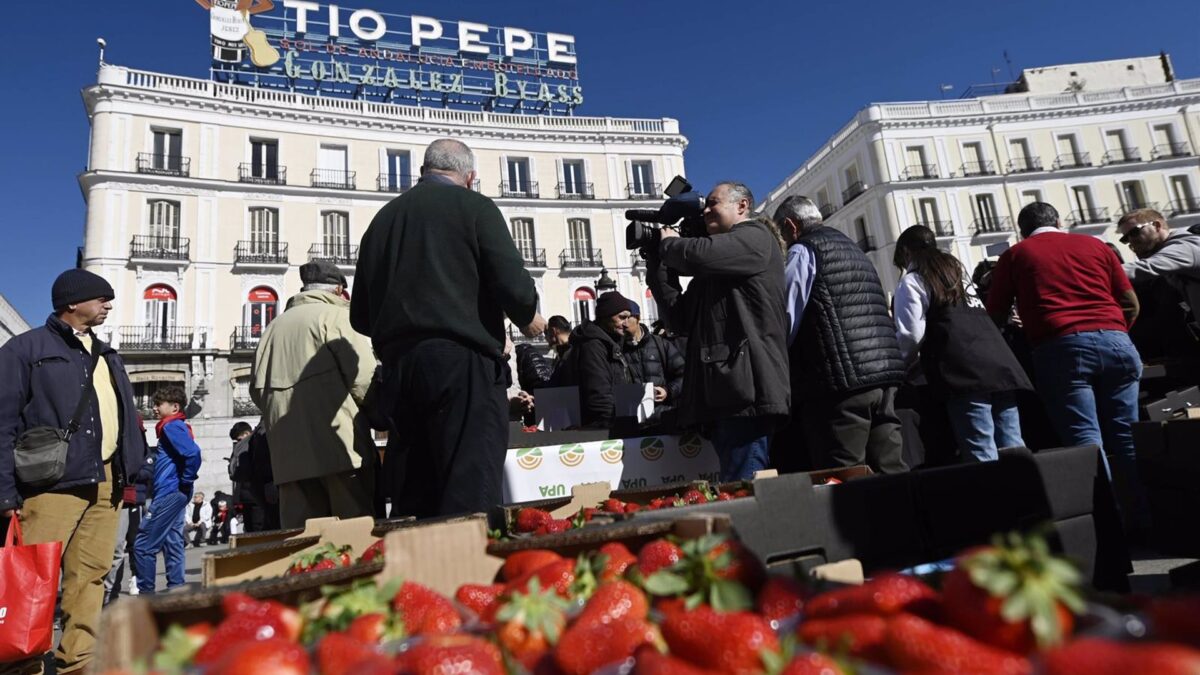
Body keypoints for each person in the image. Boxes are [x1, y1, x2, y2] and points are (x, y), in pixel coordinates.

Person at [351, 138, 543, 517]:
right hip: (464, 366)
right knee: (470, 487)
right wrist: (528, 316)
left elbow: (360, 315)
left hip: (400, 370)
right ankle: (469, 571)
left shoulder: (382, 220)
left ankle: (419, 573)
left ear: (424, 170)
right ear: (469, 176)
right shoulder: (475, 207)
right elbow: (513, 284)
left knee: (416, 491)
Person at [0, 269, 146, 673]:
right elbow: (3, 420)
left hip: (106, 482)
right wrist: (4, 492)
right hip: (51, 484)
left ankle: (80, 660)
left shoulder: (106, 354)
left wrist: (131, 467)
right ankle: (22, 662)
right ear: (72, 302)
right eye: (101, 298)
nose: (108, 305)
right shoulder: (25, 349)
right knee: (33, 578)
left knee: (91, 575)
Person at [985, 202, 1144, 527]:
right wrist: (1115, 331)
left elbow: (995, 313)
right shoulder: (1096, 245)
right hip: (1117, 342)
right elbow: (1130, 302)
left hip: (1060, 347)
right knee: (1128, 435)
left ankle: (1110, 527)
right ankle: (1144, 516)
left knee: (1085, 439)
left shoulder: (1016, 255)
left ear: (1022, 230)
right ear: (1058, 221)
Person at [646, 182, 790, 481]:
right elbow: (679, 318)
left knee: (745, 486)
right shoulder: (716, 267)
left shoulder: (754, 237)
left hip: (746, 392)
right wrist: (657, 261)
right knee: (735, 485)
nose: (706, 210)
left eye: (713, 203)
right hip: (724, 392)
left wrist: (669, 243)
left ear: (742, 206)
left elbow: (698, 255)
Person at [773, 196, 908, 474]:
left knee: (843, 473)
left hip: (840, 382)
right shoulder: (852, 248)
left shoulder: (804, 250)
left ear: (790, 226)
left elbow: (786, 313)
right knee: (890, 469)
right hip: (883, 376)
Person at [252, 260, 378, 528]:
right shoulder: (336, 317)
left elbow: (257, 390)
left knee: (304, 542)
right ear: (338, 290)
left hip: (288, 460)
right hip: (340, 452)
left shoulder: (273, 327)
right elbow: (364, 378)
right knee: (354, 536)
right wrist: (379, 415)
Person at [892, 225, 1033, 462]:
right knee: (1014, 447)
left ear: (906, 252)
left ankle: (994, 499)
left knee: (981, 450)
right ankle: (1026, 497)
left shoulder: (913, 281)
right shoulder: (959, 276)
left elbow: (911, 335)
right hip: (999, 364)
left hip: (963, 371)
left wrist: (899, 367)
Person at [132, 385, 202, 596]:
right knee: (173, 540)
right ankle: (176, 589)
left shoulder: (171, 427)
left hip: (169, 493)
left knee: (143, 545)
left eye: (158, 404)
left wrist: (186, 480)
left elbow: (192, 454)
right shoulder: (176, 426)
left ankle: (146, 596)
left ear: (174, 407)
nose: (154, 408)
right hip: (176, 492)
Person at [1118, 207, 1200, 338]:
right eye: (1126, 239)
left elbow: (1143, 268)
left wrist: (1089, 271)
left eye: (1134, 232)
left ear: (1156, 225)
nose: (1131, 241)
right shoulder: (1168, 250)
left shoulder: (1184, 247)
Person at [572, 291, 637, 428]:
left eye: (628, 317)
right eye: (621, 317)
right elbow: (599, 394)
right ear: (605, 316)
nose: (626, 323)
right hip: (604, 429)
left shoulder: (614, 343)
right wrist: (616, 425)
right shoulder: (593, 346)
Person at [623, 299, 685, 410]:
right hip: (631, 417)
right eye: (620, 318)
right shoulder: (618, 349)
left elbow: (684, 375)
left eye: (626, 317)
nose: (623, 323)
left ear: (637, 318)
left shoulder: (661, 344)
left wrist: (667, 391)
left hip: (662, 415)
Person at [545, 315, 576, 386]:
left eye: (547, 332)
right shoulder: (563, 353)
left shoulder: (570, 354)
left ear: (553, 331)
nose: (545, 337)